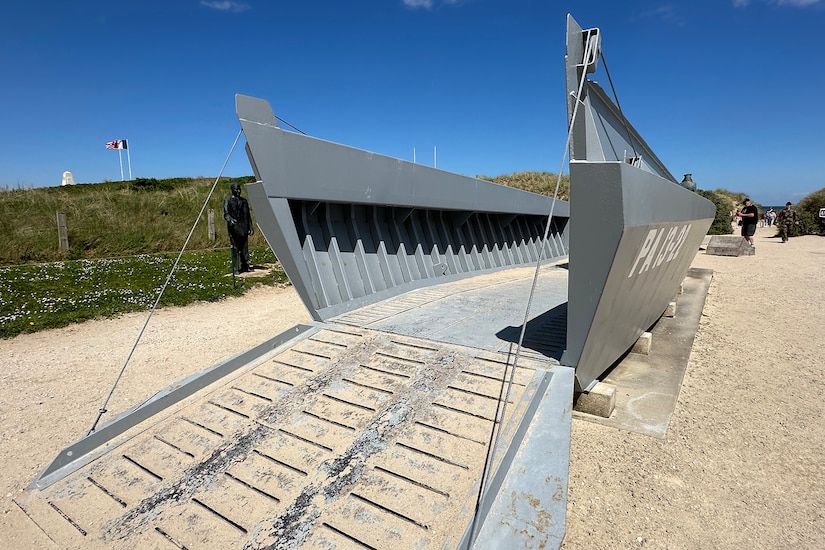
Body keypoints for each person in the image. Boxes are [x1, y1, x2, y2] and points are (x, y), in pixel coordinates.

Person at [223, 182, 254, 273]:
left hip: (243, 227)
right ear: (232, 190)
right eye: (236, 189)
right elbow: (226, 214)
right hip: (234, 229)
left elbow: (247, 215)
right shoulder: (227, 200)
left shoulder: (244, 201)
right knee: (235, 248)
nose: (238, 191)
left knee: (245, 248)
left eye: (239, 189)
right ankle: (235, 268)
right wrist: (230, 220)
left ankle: (245, 265)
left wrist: (250, 227)